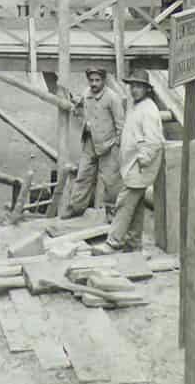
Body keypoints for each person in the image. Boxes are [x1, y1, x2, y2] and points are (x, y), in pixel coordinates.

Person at [107, 69, 165, 251]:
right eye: (132, 86)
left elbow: (154, 141)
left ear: (147, 89)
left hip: (140, 166)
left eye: (139, 86)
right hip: (132, 164)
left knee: (124, 203)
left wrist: (143, 160)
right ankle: (134, 243)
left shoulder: (149, 109)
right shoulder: (135, 106)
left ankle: (113, 242)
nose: (134, 90)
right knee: (137, 206)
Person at [61, 67, 125, 219]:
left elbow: (121, 125)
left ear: (103, 80)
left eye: (97, 80)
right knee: (83, 176)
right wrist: (77, 103)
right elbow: (80, 105)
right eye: (91, 80)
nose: (94, 83)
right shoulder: (86, 93)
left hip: (108, 145)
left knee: (111, 181)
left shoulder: (112, 98)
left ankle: (112, 214)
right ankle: (75, 209)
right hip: (90, 143)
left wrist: (116, 145)